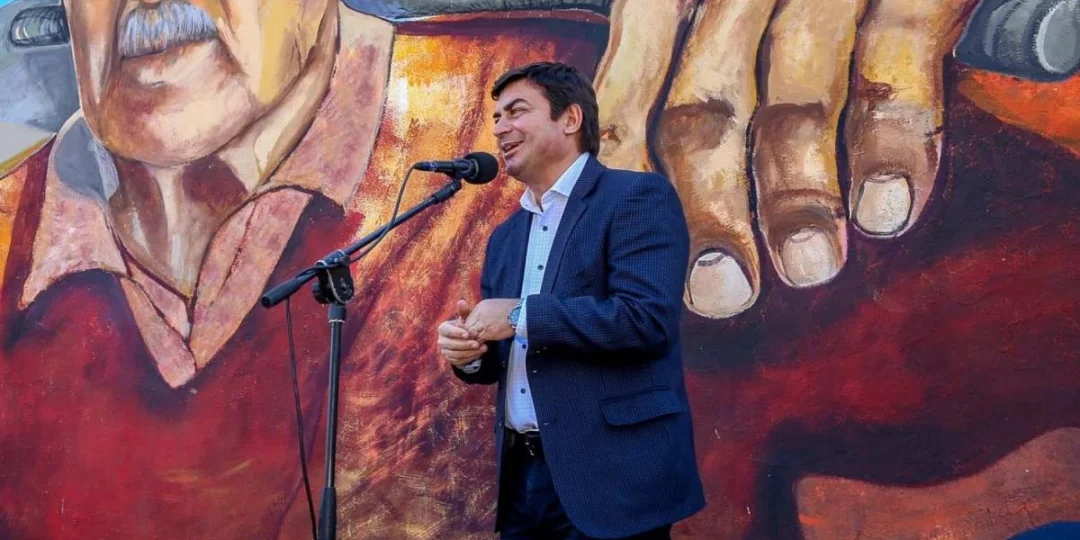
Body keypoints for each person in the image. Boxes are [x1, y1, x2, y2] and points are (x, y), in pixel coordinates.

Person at [437, 61, 705, 539]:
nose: (500, 128)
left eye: (516, 111)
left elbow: (644, 320)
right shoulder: (505, 236)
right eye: (496, 117)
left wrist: (518, 314)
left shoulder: (635, 197)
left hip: (613, 480)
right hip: (524, 479)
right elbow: (507, 353)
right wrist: (470, 354)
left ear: (570, 119)